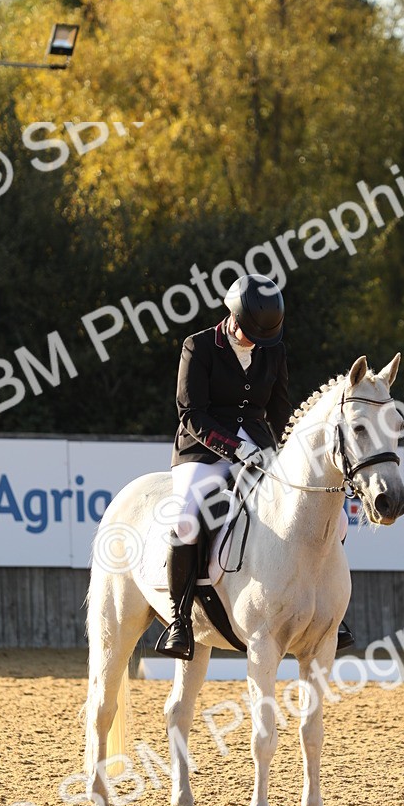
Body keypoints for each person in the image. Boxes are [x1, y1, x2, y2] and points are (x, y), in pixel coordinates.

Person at [156, 272, 355, 659]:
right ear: (231, 317)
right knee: (186, 519)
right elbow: (191, 415)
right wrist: (234, 449)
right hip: (203, 450)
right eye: (249, 334)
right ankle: (180, 618)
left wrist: (283, 453)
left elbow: (280, 410)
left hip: (261, 448)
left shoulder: (273, 350)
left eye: (263, 339)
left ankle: (327, 610)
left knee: (339, 520)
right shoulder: (197, 347)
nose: (255, 343)